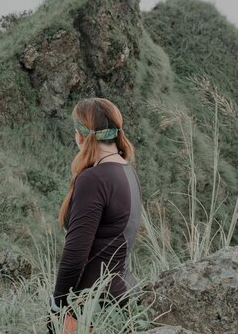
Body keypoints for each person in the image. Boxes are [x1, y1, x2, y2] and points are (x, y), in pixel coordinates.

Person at [47, 97, 142, 333]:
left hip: (90, 309)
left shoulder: (93, 180)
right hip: (123, 296)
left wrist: (57, 307)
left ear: (82, 135)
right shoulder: (127, 171)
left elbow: (75, 255)